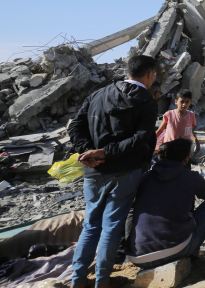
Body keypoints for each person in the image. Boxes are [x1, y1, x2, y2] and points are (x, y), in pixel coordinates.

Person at [68, 55, 159, 288]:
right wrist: (102, 153)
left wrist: (88, 153)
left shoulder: (98, 94)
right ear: (150, 74)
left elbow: (75, 126)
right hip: (124, 172)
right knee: (111, 226)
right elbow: (140, 139)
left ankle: (78, 280)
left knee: (91, 225)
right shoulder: (147, 101)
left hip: (93, 172)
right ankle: (102, 281)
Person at [126, 138, 205, 269]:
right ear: (186, 159)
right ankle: (193, 256)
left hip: (137, 257)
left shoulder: (145, 178)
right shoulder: (190, 177)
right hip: (174, 251)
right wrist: (204, 185)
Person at [155, 89, 200, 156]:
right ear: (176, 101)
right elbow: (160, 130)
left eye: (187, 102)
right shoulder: (169, 114)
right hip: (170, 148)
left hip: (184, 149)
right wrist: (150, 140)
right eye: (182, 101)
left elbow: (190, 130)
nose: (184, 104)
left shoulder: (191, 115)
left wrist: (196, 142)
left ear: (190, 102)